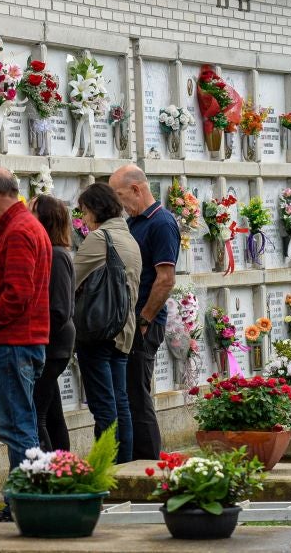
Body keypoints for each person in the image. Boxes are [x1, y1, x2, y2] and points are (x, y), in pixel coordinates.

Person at [0, 167, 51, 521]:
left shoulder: (19, 231)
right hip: (25, 342)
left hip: (14, 343)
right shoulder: (27, 226)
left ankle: (25, 503)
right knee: (24, 424)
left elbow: (18, 294)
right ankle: (27, 499)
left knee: (16, 427)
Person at [108, 164, 179, 460]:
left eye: (120, 196)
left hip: (144, 322)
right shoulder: (135, 221)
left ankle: (149, 464)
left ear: (136, 189)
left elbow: (166, 279)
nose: (120, 204)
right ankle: (135, 460)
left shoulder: (161, 223)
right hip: (132, 321)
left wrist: (144, 318)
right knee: (128, 394)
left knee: (137, 395)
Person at [72, 182, 142, 463]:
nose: (84, 218)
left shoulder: (100, 238)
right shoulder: (129, 238)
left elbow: (71, 279)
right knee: (120, 403)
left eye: (84, 211)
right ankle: (125, 468)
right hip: (123, 331)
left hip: (98, 331)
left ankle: (107, 469)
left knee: (103, 407)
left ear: (95, 209)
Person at [28, 194, 74, 452]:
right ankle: (64, 464)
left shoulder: (56, 255)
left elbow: (59, 309)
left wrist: (34, 335)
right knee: (53, 413)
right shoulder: (53, 252)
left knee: (38, 414)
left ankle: (46, 469)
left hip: (53, 345)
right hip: (52, 344)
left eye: (31, 212)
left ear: (44, 219)